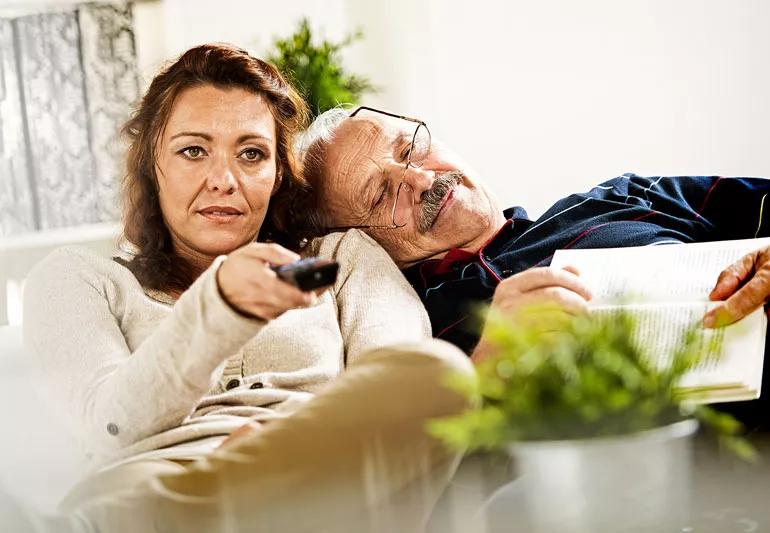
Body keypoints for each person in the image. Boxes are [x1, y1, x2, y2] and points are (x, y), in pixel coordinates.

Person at [20, 47, 472, 533]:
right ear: (153, 166)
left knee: (437, 374)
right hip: (149, 484)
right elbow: (109, 426)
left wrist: (278, 456)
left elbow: (394, 383)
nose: (224, 181)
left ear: (278, 172)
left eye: (251, 154)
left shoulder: (342, 257)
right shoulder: (78, 278)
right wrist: (221, 308)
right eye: (193, 150)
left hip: (317, 478)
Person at [297, 106, 770, 362]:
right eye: (381, 194)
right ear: (359, 242)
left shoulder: (620, 198)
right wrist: (487, 370)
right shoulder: (413, 333)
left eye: (412, 147)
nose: (420, 180)